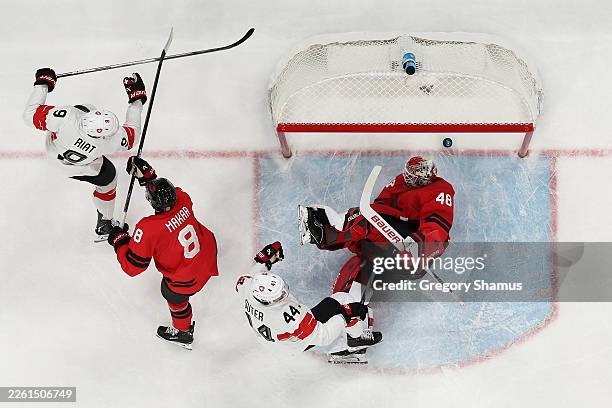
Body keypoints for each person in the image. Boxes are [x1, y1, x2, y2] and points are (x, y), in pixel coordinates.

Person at [299, 156, 455, 295]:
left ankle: (327, 231)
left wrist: (419, 247)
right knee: (364, 249)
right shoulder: (401, 181)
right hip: (393, 248)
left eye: (415, 178)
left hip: (413, 248)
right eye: (408, 176)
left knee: (368, 218)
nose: (410, 180)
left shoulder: (440, 190)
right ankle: (350, 304)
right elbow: (382, 204)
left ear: (428, 177)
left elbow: (437, 226)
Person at [107, 157, 218, 350]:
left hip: (188, 278)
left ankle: (183, 332)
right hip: (208, 256)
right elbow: (170, 197)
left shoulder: (149, 228)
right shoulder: (183, 200)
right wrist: (149, 177)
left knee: (172, 295)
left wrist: (120, 239)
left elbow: (133, 268)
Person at [23, 68, 146, 241]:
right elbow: (133, 134)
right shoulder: (110, 142)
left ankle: (104, 221)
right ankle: (105, 222)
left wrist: (42, 84)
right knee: (109, 179)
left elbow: (29, 115)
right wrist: (137, 101)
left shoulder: (67, 117)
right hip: (81, 168)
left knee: (85, 107)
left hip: (54, 153)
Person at [236, 241, 382, 364]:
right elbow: (323, 336)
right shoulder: (288, 316)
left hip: (271, 341)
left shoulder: (249, 287)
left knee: (340, 303)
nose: (283, 294)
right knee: (346, 302)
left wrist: (264, 259)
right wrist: (345, 315)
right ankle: (355, 345)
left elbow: (247, 277)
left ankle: (351, 337)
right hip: (293, 344)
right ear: (268, 301)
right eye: (279, 295)